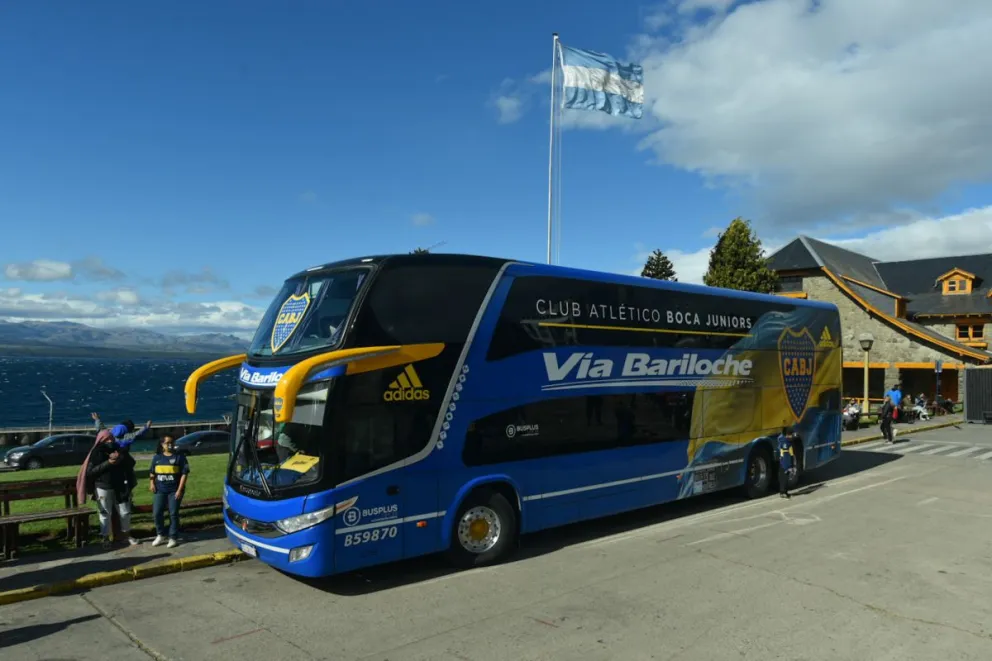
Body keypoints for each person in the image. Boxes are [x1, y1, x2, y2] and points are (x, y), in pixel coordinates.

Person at [86, 429, 139, 547]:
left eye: (111, 438)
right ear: (101, 440)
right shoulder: (96, 453)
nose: (110, 440)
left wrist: (121, 457)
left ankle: (126, 535)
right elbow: (91, 472)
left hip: (121, 486)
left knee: (125, 512)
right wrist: (108, 462)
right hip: (103, 487)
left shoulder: (120, 449)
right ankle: (105, 538)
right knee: (104, 513)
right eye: (106, 439)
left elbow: (132, 463)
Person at [148, 435, 189, 548]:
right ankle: (160, 534)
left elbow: (184, 474)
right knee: (157, 513)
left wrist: (179, 490)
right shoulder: (157, 458)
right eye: (167, 443)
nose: (170, 445)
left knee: (173, 514)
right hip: (160, 490)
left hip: (174, 490)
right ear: (162, 445)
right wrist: (151, 483)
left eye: (171, 442)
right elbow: (152, 472)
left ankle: (173, 537)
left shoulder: (179, 457)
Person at [777, 427, 795, 499]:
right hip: (786, 462)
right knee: (785, 478)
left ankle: (783, 492)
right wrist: (792, 464)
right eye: (791, 435)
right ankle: (784, 491)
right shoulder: (788, 443)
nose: (792, 436)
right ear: (788, 435)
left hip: (783, 462)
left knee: (783, 477)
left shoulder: (781, 440)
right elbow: (791, 453)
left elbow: (781, 451)